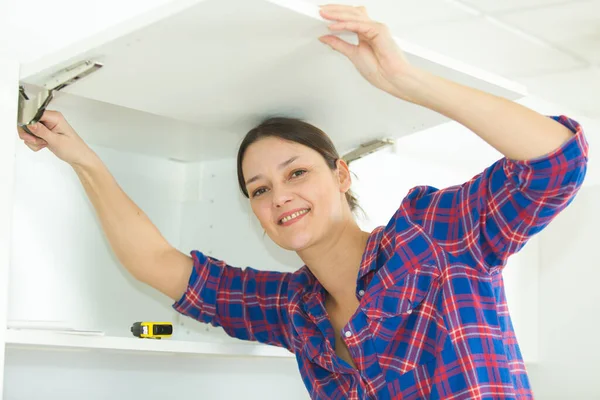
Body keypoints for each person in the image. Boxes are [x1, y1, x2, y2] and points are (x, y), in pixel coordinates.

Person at [17, 4, 588, 400]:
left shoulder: (436, 239)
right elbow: (160, 266)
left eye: (297, 172)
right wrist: (83, 160)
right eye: (260, 189)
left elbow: (559, 159)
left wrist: (405, 81)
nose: (280, 195)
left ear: (341, 174)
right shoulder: (294, 312)